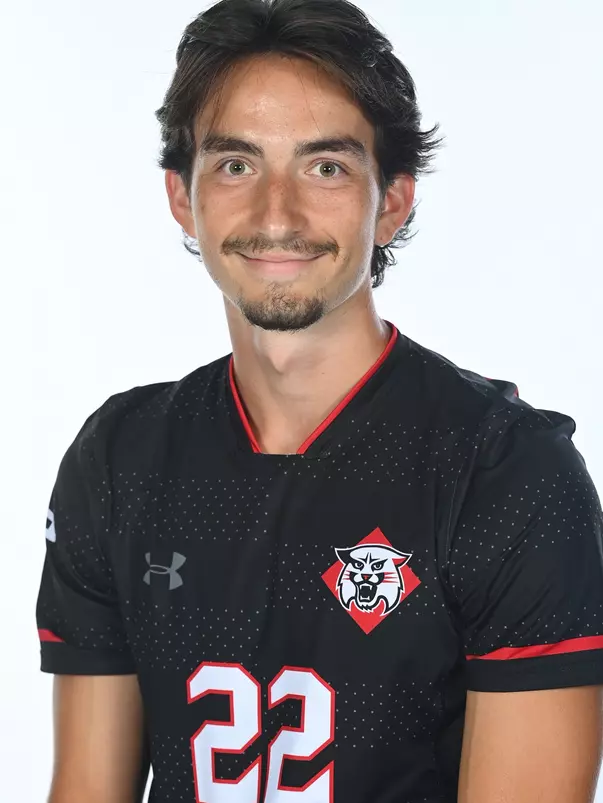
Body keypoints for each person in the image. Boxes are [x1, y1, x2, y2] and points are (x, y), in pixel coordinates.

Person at [36, 0, 603, 801]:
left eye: (325, 166)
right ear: (181, 195)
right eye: (235, 164)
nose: (277, 214)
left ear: (394, 199)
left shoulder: (504, 470)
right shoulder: (119, 457)